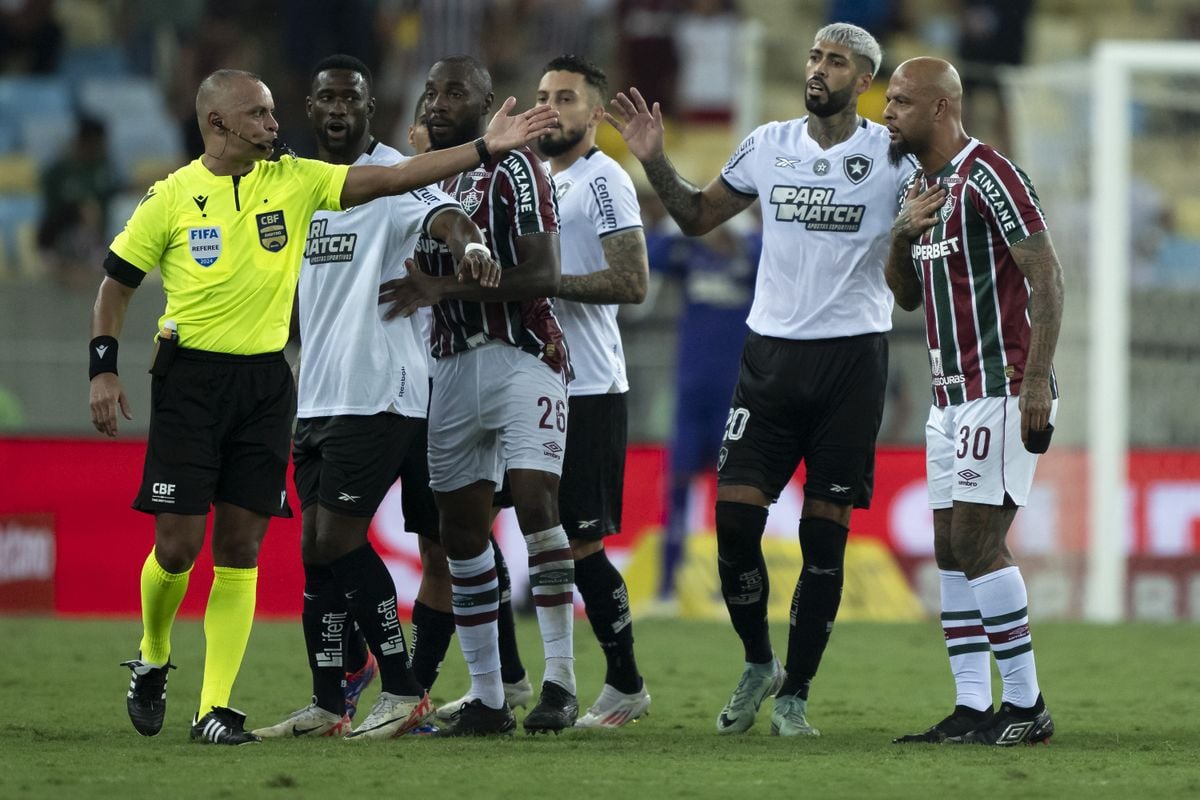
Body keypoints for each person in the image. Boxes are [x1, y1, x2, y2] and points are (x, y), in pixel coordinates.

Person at [88, 67, 556, 745]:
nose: (274, 126)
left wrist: (486, 150)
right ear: (218, 124)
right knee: (206, 547)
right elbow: (116, 282)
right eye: (258, 115)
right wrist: (103, 367)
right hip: (233, 387)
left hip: (307, 388)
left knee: (259, 546)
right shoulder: (180, 195)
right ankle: (187, 661)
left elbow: (409, 186)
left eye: (276, 113)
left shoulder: (304, 179)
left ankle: (239, 706)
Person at [608, 22, 917, 736]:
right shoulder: (768, 144)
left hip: (851, 364)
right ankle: (757, 661)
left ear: (862, 80)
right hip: (769, 360)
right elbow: (694, 215)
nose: (818, 68)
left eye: (835, 61)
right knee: (736, 523)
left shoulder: (892, 158)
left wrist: (904, 236)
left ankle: (796, 694)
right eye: (813, 56)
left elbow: (907, 290)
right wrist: (655, 161)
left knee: (825, 540)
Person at [249, 55, 493, 741]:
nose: (336, 110)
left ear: (368, 107)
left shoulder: (391, 176)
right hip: (319, 392)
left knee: (338, 537)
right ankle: (329, 703)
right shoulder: (297, 186)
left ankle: (404, 687)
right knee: (313, 551)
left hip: (382, 390)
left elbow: (445, 215)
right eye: (325, 97)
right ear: (308, 105)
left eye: (349, 99)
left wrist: (470, 245)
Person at [379, 55, 574, 737]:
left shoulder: (516, 168)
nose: (436, 101)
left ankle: (560, 683)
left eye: (453, 91)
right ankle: (490, 697)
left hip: (523, 354)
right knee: (459, 530)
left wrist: (443, 290)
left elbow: (543, 272)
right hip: (451, 366)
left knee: (534, 499)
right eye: (429, 90)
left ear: (489, 101)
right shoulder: (433, 178)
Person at [883, 57, 1062, 746]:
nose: (887, 112)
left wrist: (1037, 380)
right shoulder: (920, 186)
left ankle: (1026, 707)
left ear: (938, 108)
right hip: (946, 397)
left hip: (1001, 387)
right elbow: (905, 294)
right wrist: (899, 234)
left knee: (976, 540)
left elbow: (1047, 279)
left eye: (899, 101)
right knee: (947, 548)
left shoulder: (992, 175)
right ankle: (970, 707)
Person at [534, 53, 651, 727]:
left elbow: (632, 283)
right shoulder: (533, 178)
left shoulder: (603, 180)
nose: (552, 106)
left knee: (578, 545)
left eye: (568, 97)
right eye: (545, 95)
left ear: (595, 114)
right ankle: (512, 683)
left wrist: (539, 286)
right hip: (531, 382)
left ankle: (626, 684)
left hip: (588, 387)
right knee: (517, 536)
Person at [654, 219, 760, 602]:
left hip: (734, 396)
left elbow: (777, 259)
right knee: (678, 484)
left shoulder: (751, 255)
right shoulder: (689, 254)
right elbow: (650, 255)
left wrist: (743, 234)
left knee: (731, 493)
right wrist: (678, 228)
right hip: (690, 392)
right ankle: (667, 586)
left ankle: (726, 586)